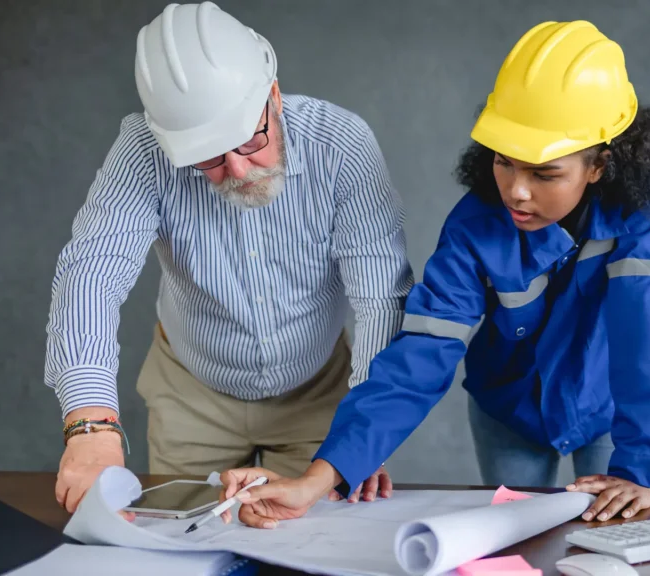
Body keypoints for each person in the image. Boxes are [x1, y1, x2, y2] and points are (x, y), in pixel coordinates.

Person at [218, 19, 650, 527]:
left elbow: (643, 337)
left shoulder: (642, 211)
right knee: (517, 542)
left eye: (545, 173)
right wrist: (316, 481)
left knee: (617, 536)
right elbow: (419, 359)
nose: (516, 191)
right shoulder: (473, 228)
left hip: (610, 408)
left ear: (600, 164)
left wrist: (639, 467)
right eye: (505, 162)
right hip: (508, 411)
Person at [47, 2, 409, 514]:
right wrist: (91, 427)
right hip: (191, 394)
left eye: (249, 139)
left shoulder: (342, 146)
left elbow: (380, 298)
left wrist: (366, 434)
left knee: (316, 545)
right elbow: (91, 275)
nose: (238, 169)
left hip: (320, 395)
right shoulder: (143, 152)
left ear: (274, 94)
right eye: (209, 157)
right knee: (181, 545)